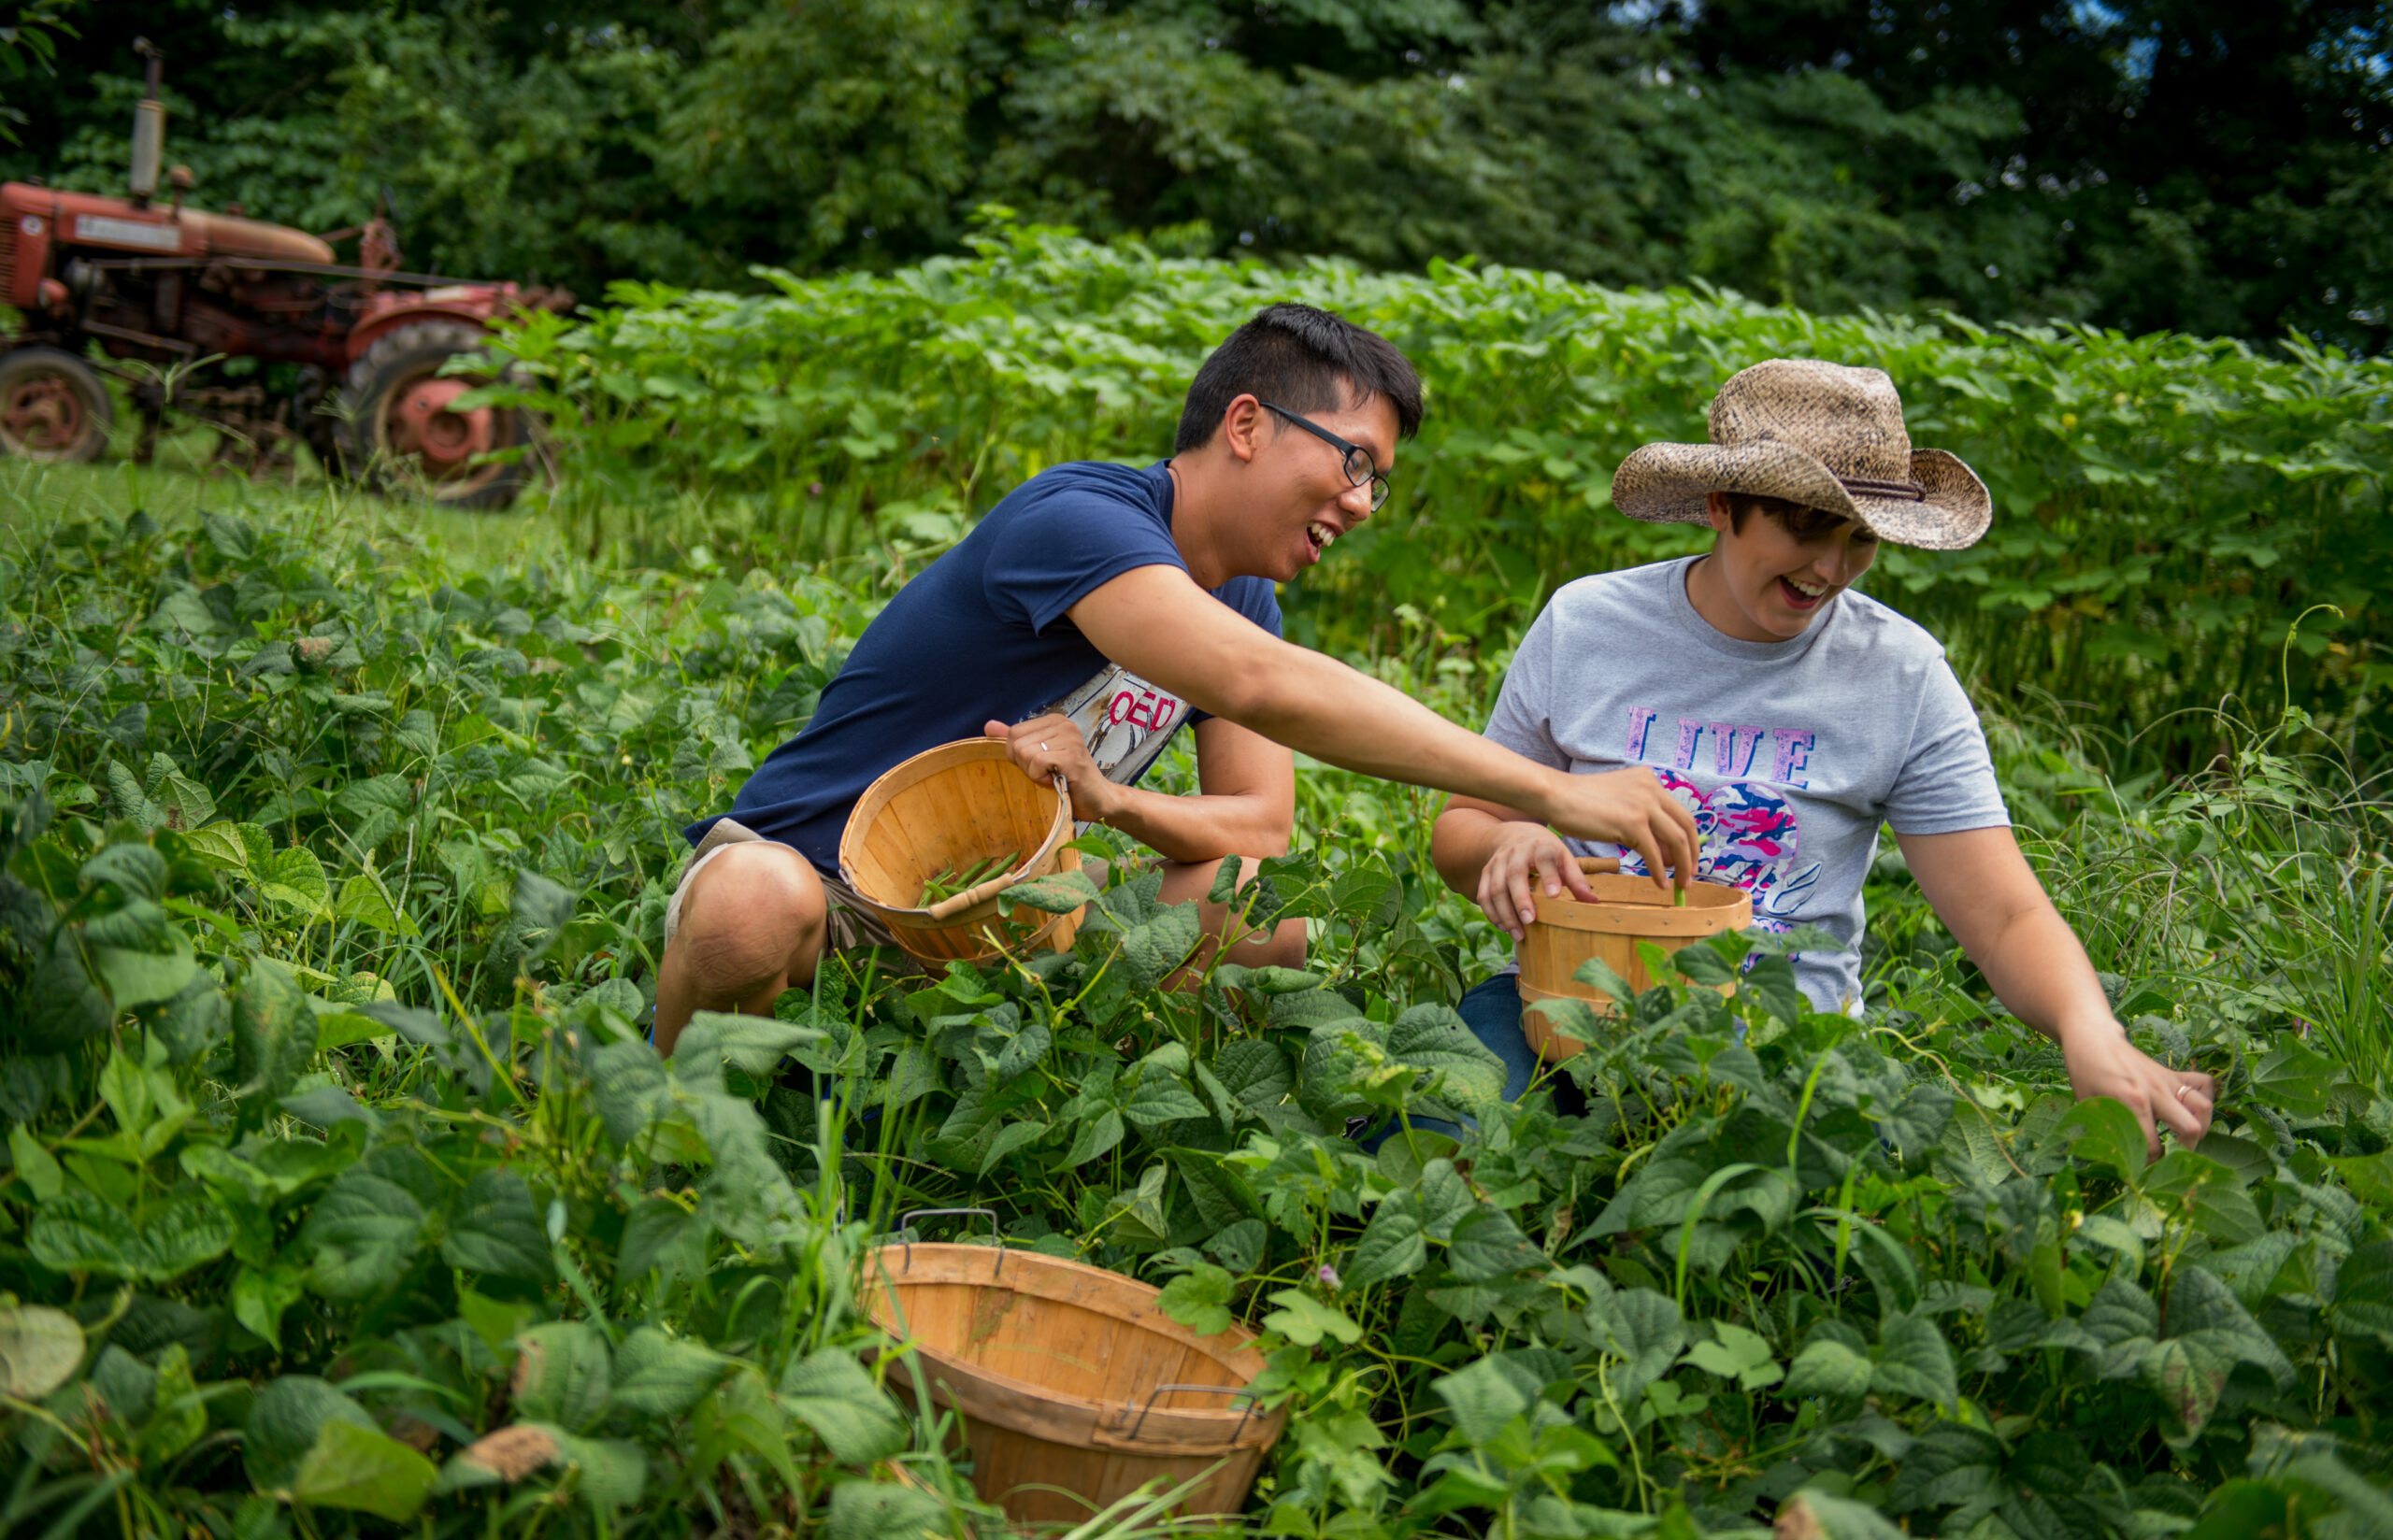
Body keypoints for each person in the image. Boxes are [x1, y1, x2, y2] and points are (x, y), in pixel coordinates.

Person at [652, 305, 1702, 1054]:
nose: (1366, 504)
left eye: (1380, 482)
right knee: (750, 903)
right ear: (1246, 425)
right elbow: (1262, 684)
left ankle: (1050, 1072)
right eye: (1353, 463)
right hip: (822, 876)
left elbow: (1262, 827)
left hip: (996, 905)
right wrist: (1555, 792)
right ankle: (673, 1127)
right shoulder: (1077, 522)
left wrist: (1108, 801)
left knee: (1263, 915)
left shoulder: (1242, 597)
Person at [1430, 358, 2215, 1159]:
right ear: (1721, 506)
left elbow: (2006, 915)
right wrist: (1510, 842)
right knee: (1442, 1136)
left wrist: (2089, 1025)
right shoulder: (1589, 625)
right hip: (1566, 1010)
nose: (1829, 570)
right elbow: (1464, 828)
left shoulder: (1900, 675)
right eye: (1805, 529)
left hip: (1785, 1049)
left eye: (1861, 539)